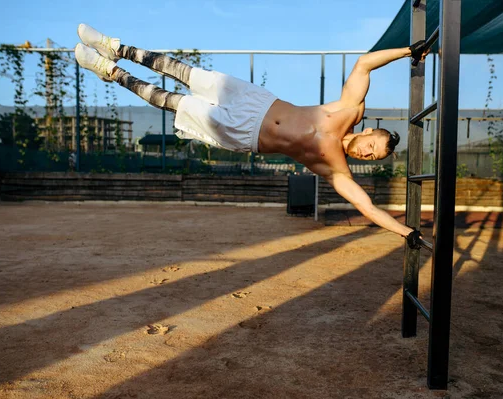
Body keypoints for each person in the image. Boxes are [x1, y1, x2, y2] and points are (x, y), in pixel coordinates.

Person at [75, 24, 427, 246]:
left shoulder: (336, 169)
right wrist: (409, 51)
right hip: (254, 101)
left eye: (373, 156)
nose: (367, 154)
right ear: (367, 131)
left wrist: (406, 232)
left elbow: (366, 207)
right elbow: (363, 64)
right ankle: (115, 47)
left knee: (172, 102)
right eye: (372, 146)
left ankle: (108, 71)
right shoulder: (349, 110)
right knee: (184, 72)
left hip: (243, 134)